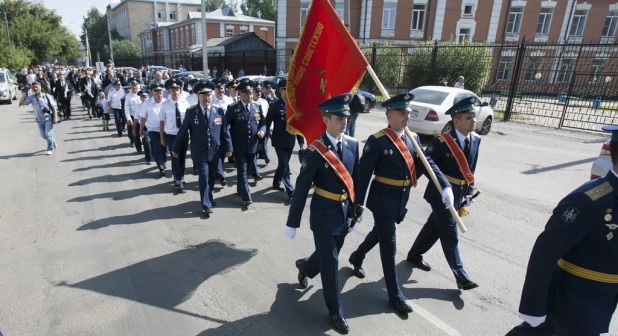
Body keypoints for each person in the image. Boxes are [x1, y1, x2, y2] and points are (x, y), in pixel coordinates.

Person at [505, 125, 618, 336]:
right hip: (573, 301)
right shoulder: (590, 199)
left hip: (605, 298)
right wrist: (533, 308)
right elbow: (545, 252)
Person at [347, 93, 453, 314]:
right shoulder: (377, 141)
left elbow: (427, 162)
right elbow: (363, 176)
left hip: (400, 200)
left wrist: (445, 186)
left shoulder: (410, 137)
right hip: (382, 200)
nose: (407, 116)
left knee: (379, 234)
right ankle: (395, 295)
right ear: (389, 115)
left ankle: (357, 256)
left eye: (408, 112)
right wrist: (356, 207)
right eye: (402, 112)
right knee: (390, 244)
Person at [283, 93, 360, 334]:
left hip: (343, 213)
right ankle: (335, 311)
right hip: (323, 216)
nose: (344, 121)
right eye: (339, 117)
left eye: (346, 116)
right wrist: (292, 222)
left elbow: (354, 181)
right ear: (326, 120)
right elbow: (302, 188)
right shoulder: (315, 152)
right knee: (331, 263)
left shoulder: (353, 144)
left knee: (330, 254)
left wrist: (355, 212)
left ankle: (305, 266)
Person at [406, 97, 481, 290]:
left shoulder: (476, 140)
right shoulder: (442, 142)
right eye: (468, 117)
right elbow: (425, 163)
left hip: (458, 193)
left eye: (474, 116)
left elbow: (470, 169)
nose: (474, 120)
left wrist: (467, 193)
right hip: (441, 192)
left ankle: (414, 254)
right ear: (456, 122)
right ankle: (461, 277)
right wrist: (407, 184)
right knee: (449, 232)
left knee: (435, 227)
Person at [174, 80, 232, 214]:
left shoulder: (219, 111)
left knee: (211, 177)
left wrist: (229, 148)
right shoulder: (191, 112)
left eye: (209, 95)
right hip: (199, 152)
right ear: (198, 96)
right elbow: (183, 131)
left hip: (215, 152)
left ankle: (209, 197)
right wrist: (175, 147)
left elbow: (225, 131)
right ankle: (205, 204)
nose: (207, 98)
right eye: (203, 95)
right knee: (204, 176)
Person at [224, 79, 266, 206]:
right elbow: (225, 127)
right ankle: (246, 196)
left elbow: (263, 123)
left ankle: (240, 188)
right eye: (247, 93)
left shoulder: (257, 106)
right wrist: (228, 145)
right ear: (240, 94)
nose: (250, 96)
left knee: (247, 171)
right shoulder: (233, 108)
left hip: (252, 145)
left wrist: (262, 131)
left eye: (251, 93)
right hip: (239, 145)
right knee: (242, 170)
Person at [265, 79, 304, 199]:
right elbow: (266, 123)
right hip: (279, 140)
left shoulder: (294, 105)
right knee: (284, 163)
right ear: (280, 90)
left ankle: (276, 182)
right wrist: (262, 140)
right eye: (285, 90)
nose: (288, 93)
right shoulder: (275, 105)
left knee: (283, 164)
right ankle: (290, 189)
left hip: (290, 140)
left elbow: (298, 125)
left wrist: (301, 141)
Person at [160, 78, 191, 189]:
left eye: (177, 89)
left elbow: (189, 121)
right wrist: (162, 138)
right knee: (175, 156)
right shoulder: (164, 105)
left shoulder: (185, 104)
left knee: (182, 157)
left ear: (180, 90)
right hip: (171, 135)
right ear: (168, 91)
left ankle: (181, 176)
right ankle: (177, 178)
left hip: (183, 135)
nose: (175, 92)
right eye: (172, 90)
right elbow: (162, 122)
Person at [20, 81, 58, 155]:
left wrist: (55, 118)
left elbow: (54, 107)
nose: (35, 88)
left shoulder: (46, 96)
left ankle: (50, 149)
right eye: (33, 87)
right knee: (43, 135)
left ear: (40, 87)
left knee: (48, 134)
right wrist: (24, 94)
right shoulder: (31, 98)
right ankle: (53, 141)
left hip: (48, 118)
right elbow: (22, 103)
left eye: (36, 87)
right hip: (39, 119)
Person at [140, 83, 167, 170]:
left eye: (160, 93)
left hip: (165, 130)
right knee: (156, 147)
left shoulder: (166, 102)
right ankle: (160, 165)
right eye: (157, 93)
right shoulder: (147, 103)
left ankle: (164, 161)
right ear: (152, 93)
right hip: (153, 130)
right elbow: (143, 117)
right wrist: (141, 129)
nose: (159, 95)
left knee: (164, 148)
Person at [253, 81, 271, 165]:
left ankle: (265, 156)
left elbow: (268, 114)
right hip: (254, 127)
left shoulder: (264, 101)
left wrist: (271, 126)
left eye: (259, 91)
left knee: (264, 142)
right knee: (255, 146)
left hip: (264, 126)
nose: (258, 93)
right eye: (256, 91)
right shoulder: (250, 102)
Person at [134, 90, 152, 164]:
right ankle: (148, 158)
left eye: (146, 97)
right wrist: (134, 129)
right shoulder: (138, 107)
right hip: (144, 127)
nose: (144, 99)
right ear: (140, 98)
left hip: (153, 126)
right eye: (142, 97)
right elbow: (136, 118)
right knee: (146, 142)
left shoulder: (152, 105)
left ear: (148, 97)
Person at [124, 78, 141, 150]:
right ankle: (138, 147)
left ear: (138, 85)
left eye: (135, 85)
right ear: (130, 86)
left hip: (142, 116)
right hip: (133, 116)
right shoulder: (128, 96)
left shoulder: (142, 94)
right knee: (135, 133)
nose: (134, 87)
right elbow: (126, 107)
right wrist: (128, 118)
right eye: (132, 85)